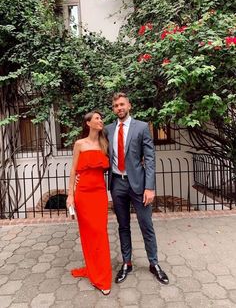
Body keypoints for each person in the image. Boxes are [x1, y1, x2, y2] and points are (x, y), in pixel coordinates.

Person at [105, 92, 169, 285]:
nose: (119, 108)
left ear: (129, 106)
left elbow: (149, 158)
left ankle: (154, 263)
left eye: (122, 104)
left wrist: (150, 187)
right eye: (116, 106)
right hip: (117, 184)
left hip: (139, 185)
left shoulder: (141, 127)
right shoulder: (108, 130)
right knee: (123, 226)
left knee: (146, 225)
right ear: (113, 109)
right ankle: (127, 263)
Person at [66, 110, 112, 295]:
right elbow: (73, 170)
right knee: (87, 235)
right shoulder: (79, 144)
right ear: (88, 123)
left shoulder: (104, 144)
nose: (100, 121)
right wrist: (70, 195)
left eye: (101, 118)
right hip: (83, 194)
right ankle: (94, 272)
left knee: (100, 233)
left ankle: (102, 276)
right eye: (97, 118)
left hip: (99, 193)